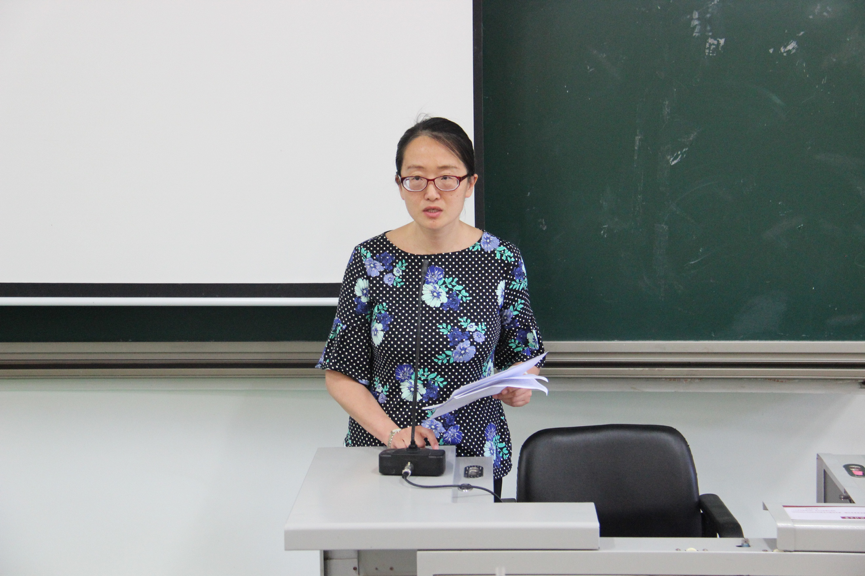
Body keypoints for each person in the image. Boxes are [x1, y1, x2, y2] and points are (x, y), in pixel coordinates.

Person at [316, 117, 545, 496]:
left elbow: (524, 355)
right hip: (385, 451)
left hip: (474, 453)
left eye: (447, 178)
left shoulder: (501, 259)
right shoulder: (370, 259)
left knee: (469, 537)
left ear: (470, 183)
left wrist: (520, 387)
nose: (432, 193)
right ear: (399, 185)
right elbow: (341, 372)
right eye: (416, 179)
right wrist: (392, 433)